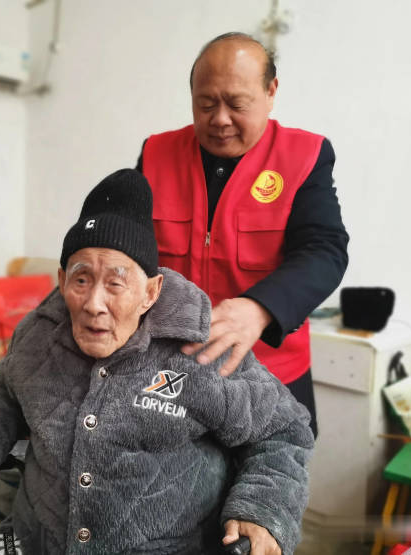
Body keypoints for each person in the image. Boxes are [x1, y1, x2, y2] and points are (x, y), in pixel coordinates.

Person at [0, 169, 314, 555]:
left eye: (115, 283)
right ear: (62, 281)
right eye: (81, 280)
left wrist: (263, 509)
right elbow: (7, 391)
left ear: (151, 292)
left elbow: (284, 429)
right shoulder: (38, 334)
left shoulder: (202, 348)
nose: (94, 304)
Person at [137, 33, 349, 437]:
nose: (220, 119)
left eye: (237, 104)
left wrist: (259, 308)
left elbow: (324, 251)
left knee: (274, 472)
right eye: (206, 104)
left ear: (270, 92)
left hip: (271, 373)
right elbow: (126, 247)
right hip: (170, 369)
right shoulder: (155, 154)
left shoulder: (304, 156)